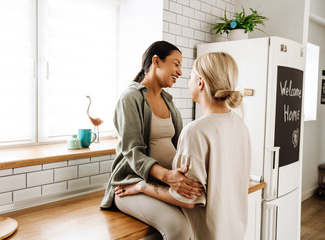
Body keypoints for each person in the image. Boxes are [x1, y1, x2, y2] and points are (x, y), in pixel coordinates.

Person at [115, 52, 252, 240]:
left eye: (189, 76)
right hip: (235, 232)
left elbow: (188, 200)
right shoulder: (240, 125)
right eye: (177, 65)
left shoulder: (196, 131)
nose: (181, 75)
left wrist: (142, 186)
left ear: (200, 83)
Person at [100, 41, 203, 240]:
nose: (180, 72)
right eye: (176, 64)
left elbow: (181, 146)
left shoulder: (169, 101)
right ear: (156, 61)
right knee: (179, 229)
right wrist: (168, 177)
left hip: (161, 185)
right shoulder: (130, 98)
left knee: (198, 218)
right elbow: (133, 152)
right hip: (130, 186)